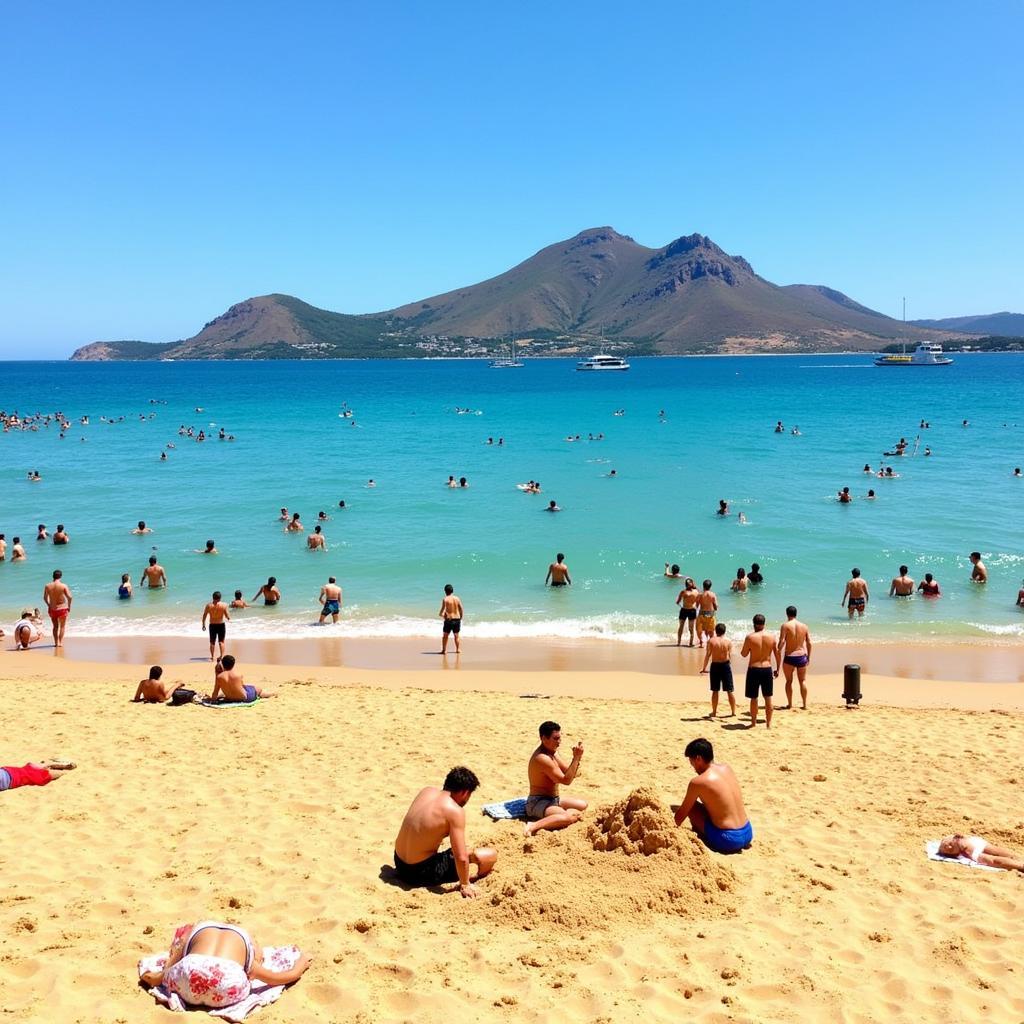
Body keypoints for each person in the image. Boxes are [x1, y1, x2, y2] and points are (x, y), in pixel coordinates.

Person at [139, 921, 310, 1007]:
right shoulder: (247, 945)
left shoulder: (196, 930)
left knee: (167, 973)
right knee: (250, 972)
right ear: (253, 945)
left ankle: (158, 979)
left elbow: (170, 964)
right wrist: (300, 965)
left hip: (189, 977)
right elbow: (278, 978)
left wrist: (161, 974)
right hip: (227, 986)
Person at [393, 767, 497, 897]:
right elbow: (461, 857)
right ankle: (474, 879)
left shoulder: (426, 791)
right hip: (417, 873)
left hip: (398, 862)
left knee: (458, 850)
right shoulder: (454, 811)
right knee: (488, 855)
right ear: (465, 793)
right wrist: (465, 884)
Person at [673, 737, 753, 853]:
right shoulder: (727, 768)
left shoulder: (698, 782)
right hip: (747, 832)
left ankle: (705, 836)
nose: (693, 768)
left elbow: (679, 817)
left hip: (728, 840)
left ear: (698, 759)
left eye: (692, 763)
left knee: (693, 807)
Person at [524, 721, 588, 837]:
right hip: (538, 802)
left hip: (553, 799)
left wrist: (577, 759)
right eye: (555, 739)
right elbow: (566, 780)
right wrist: (576, 758)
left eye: (560, 738)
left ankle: (561, 814)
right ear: (544, 738)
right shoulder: (542, 758)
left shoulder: (553, 753)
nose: (559, 743)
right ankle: (532, 826)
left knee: (583, 805)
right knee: (567, 818)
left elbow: (571, 773)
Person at [741, 614, 779, 728]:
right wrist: (778, 668)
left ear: (754, 624)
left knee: (754, 698)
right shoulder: (772, 637)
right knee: (768, 697)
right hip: (767, 669)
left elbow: (744, 654)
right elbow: (777, 654)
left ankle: (753, 723)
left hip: (754, 669)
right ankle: (768, 724)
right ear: (764, 624)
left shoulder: (750, 637)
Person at [778, 605, 812, 710]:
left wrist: (778, 650)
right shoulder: (804, 626)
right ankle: (805, 705)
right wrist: (808, 657)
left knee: (789, 681)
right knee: (802, 681)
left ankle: (790, 704)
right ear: (796, 614)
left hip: (790, 657)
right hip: (802, 656)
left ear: (787, 614)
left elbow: (782, 642)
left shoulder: (785, 626)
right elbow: (809, 643)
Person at [700, 623, 736, 717]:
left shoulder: (711, 641)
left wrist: (704, 668)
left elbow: (707, 655)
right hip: (725, 666)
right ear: (724, 631)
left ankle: (714, 712)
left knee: (715, 690)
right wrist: (729, 665)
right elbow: (730, 655)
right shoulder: (728, 642)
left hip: (715, 666)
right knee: (729, 690)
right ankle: (733, 712)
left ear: (716, 631)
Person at [937, 834, 1024, 871]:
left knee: (998, 853)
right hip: (976, 853)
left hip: (975, 846)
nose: (948, 847)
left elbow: (960, 839)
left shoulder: (961, 840)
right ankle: (1020, 864)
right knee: (995, 859)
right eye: (946, 850)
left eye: (948, 844)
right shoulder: (959, 853)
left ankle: (1019, 860)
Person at [1, 759, 76, 792]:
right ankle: (53, 764)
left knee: (43, 776)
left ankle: (63, 769)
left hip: (13, 778)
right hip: (8, 771)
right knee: (31, 769)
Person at [43, 569, 72, 647]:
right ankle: (60, 642)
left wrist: (49, 605)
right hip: (63, 608)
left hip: (53, 609)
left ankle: (56, 643)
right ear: (61, 576)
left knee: (55, 626)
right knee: (62, 626)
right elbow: (70, 597)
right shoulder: (63, 586)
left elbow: (45, 598)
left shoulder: (47, 586)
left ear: (53, 576)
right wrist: (69, 606)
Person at [201, 591, 230, 661]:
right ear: (220, 598)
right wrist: (228, 617)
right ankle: (222, 656)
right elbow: (227, 616)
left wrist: (203, 624)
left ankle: (212, 657)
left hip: (212, 625)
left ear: (212, 597)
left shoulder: (208, 606)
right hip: (221, 625)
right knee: (221, 642)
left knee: (212, 642)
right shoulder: (224, 605)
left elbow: (204, 615)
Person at [439, 584, 463, 653]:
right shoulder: (457, 598)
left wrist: (442, 615)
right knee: (456, 636)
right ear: (452, 591)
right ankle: (458, 649)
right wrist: (460, 617)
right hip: (457, 619)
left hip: (449, 620)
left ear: (445, 591)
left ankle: (444, 650)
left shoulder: (445, 599)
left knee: (445, 636)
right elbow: (461, 609)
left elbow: (442, 612)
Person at [676, 577, 699, 646]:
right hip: (686, 610)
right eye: (687, 583)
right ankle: (679, 642)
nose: (687, 584)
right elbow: (677, 602)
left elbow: (677, 602)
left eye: (688, 583)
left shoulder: (695, 591)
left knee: (690, 628)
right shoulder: (693, 591)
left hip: (691, 610)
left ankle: (690, 643)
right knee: (681, 626)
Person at [696, 579, 718, 648]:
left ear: (703, 586)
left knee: (701, 630)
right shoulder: (713, 594)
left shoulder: (700, 595)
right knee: (711, 631)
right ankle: (711, 644)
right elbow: (716, 606)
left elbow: (696, 605)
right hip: (711, 614)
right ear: (710, 587)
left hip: (702, 613)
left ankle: (702, 642)